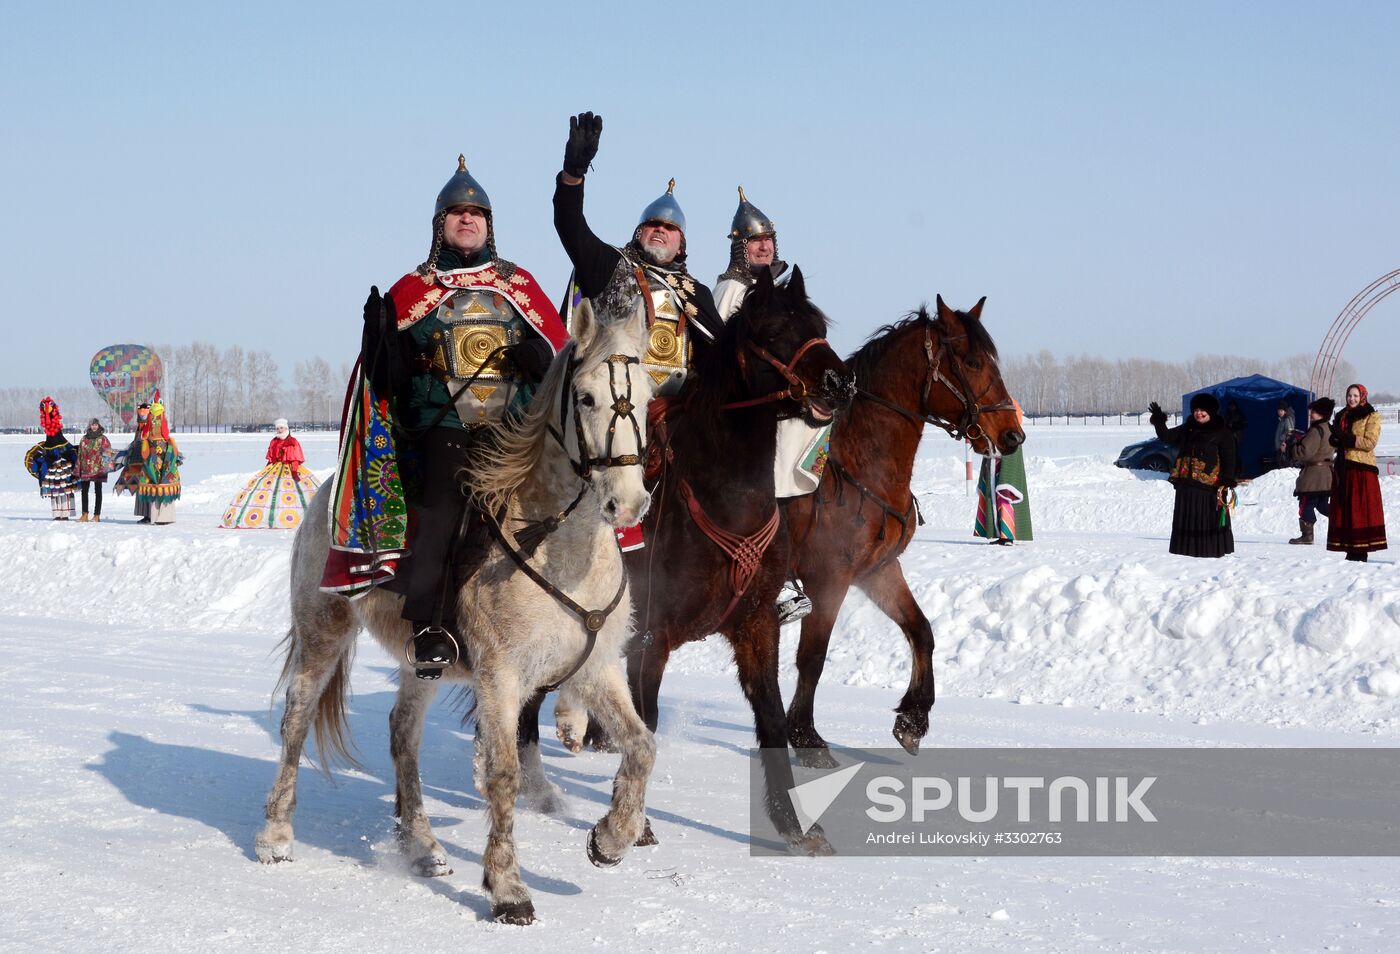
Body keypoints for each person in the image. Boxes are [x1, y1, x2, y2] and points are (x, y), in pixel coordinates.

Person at [349, 154, 568, 679]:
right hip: (442, 429)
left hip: (511, 434)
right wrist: (381, 341)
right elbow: (388, 384)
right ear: (439, 224)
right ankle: (430, 626)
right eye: (456, 213)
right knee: (445, 512)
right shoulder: (413, 289)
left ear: (490, 226)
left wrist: (539, 358)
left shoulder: (519, 285)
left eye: (477, 213)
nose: (467, 220)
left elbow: (563, 361)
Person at [553, 111, 723, 398]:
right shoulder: (609, 265)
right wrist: (573, 174)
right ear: (638, 233)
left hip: (675, 414)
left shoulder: (697, 294)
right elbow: (570, 225)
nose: (660, 230)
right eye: (652, 224)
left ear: (681, 244)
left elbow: (721, 361)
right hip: (612, 403)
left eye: (669, 228)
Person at [1150, 394, 1236, 558]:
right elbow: (1167, 437)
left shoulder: (1222, 432)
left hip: (1209, 487)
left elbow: (1229, 459)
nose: (1199, 413)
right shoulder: (1188, 428)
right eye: (1196, 409)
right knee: (1188, 518)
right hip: (1186, 486)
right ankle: (1186, 551)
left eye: (1203, 410)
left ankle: (1209, 552)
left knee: (1206, 519)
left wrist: (1226, 480)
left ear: (1211, 411)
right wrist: (1159, 420)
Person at [221, 419, 321, 530]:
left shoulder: (292, 441)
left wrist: (294, 470)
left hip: (290, 468)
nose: (279, 430)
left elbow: (295, 458)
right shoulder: (274, 441)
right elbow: (271, 458)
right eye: (277, 428)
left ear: (286, 428)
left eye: (281, 428)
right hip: (275, 467)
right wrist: (266, 471)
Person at [1327, 384, 1387, 561]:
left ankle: (1361, 550)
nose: (1351, 399)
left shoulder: (1371, 415)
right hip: (1343, 467)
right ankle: (1349, 547)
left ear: (1362, 397)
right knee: (1344, 510)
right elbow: (1339, 441)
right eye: (1349, 396)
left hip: (1362, 469)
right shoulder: (1342, 416)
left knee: (1359, 510)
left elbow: (1370, 442)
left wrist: (1346, 438)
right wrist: (1335, 439)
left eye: (1355, 395)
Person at [975, 401, 1033, 544]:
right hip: (997, 449)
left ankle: (1007, 535)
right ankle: (1000, 533)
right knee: (994, 495)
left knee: (1005, 494)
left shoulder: (1008, 403)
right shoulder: (1000, 401)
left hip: (1008, 444)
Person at [1286, 398, 1333, 545]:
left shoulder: (1316, 430)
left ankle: (1307, 536)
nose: (1311, 414)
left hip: (1313, 476)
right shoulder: (1330, 428)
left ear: (1321, 413)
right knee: (1322, 505)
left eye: (1314, 411)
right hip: (1326, 475)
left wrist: (1292, 447)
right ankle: (1344, 520)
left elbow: (1304, 452)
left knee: (1306, 504)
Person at [24, 397, 78, 520]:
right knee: (54, 486)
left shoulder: (58, 434)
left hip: (61, 460)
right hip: (52, 458)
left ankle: (65, 513)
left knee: (65, 486)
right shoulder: (49, 433)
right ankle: (57, 513)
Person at [135, 391, 181, 524]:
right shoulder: (162, 416)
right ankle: (165, 516)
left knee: (152, 481)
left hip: (152, 453)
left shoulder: (150, 417)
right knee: (166, 479)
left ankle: (153, 516)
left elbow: (144, 434)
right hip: (164, 451)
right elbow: (166, 434)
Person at [73, 418, 114, 523]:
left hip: (98, 469)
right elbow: (80, 454)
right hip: (86, 468)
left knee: (98, 491)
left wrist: (104, 466)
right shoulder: (84, 439)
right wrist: (79, 467)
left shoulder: (103, 439)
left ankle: (97, 515)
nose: (94, 427)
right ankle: (84, 514)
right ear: (89, 426)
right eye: (92, 425)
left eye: (96, 425)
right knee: (84, 491)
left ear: (98, 425)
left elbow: (108, 453)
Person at [1274, 399, 1296, 466]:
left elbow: (1290, 432)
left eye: (1281, 410)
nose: (1279, 412)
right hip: (1280, 446)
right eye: (1279, 410)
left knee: (1285, 465)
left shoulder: (1287, 419)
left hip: (1284, 447)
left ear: (1285, 411)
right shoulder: (1282, 420)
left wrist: (1284, 443)